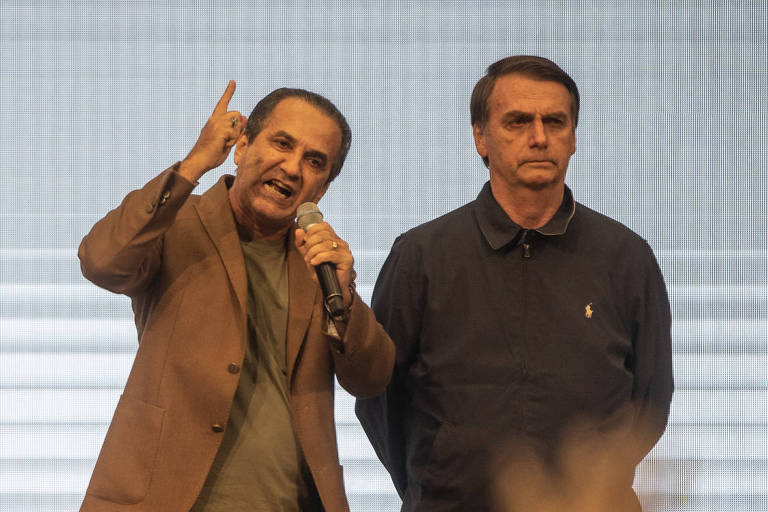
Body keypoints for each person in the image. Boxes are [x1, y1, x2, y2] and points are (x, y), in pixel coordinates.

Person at [355, 55, 673, 511]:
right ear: (480, 137)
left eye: (555, 122)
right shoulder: (421, 256)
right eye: (518, 121)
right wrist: (436, 484)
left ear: (574, 138)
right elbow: (379, 397)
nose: (539, 137)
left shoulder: (626, 257)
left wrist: (591, 489)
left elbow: (651, 401)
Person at [78, 81, 395, 511]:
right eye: (282, 143)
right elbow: (101, 261)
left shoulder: (319, 263)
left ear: (321, 189)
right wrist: (194, 163)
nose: (292, 167)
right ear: (241, 147)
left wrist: (345, 299)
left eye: (314, 161)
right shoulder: (176, 223)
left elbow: (372, 378)